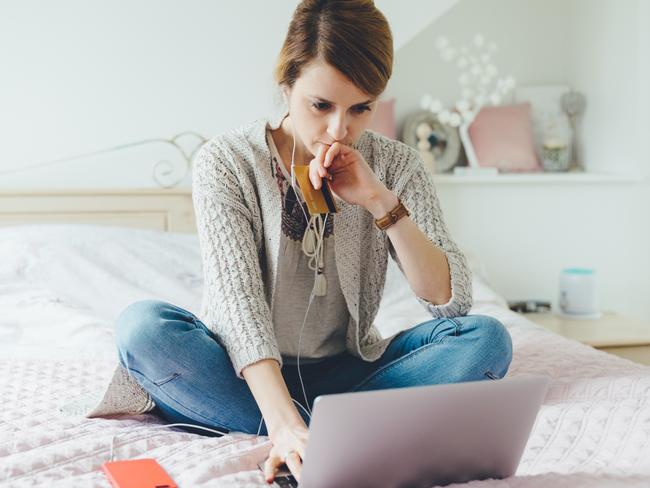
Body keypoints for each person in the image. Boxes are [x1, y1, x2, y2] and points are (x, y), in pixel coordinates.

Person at [96, 0, 513, 484]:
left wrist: (380, 201)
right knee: (142, 329)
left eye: (361, 109)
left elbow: (450, 301)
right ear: (286, 86)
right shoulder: (227, 162)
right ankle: (326, 432)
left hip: (350, 371)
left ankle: (320, 430)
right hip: (242, 375)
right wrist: (284, 425)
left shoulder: (395, 166)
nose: (341, 129)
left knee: (485, 340)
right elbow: (237, 304)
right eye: (322, 105)